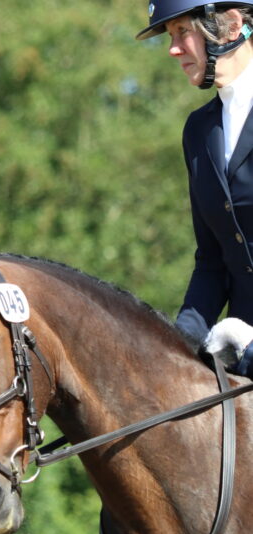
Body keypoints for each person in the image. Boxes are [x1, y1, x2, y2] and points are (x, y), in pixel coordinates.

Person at [137, 1, 253, 375]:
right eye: (170, 37)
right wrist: (175, 349)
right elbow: (213, 260)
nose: (173, 49)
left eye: (183, 32)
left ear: (233, 26)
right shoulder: (199, 131)